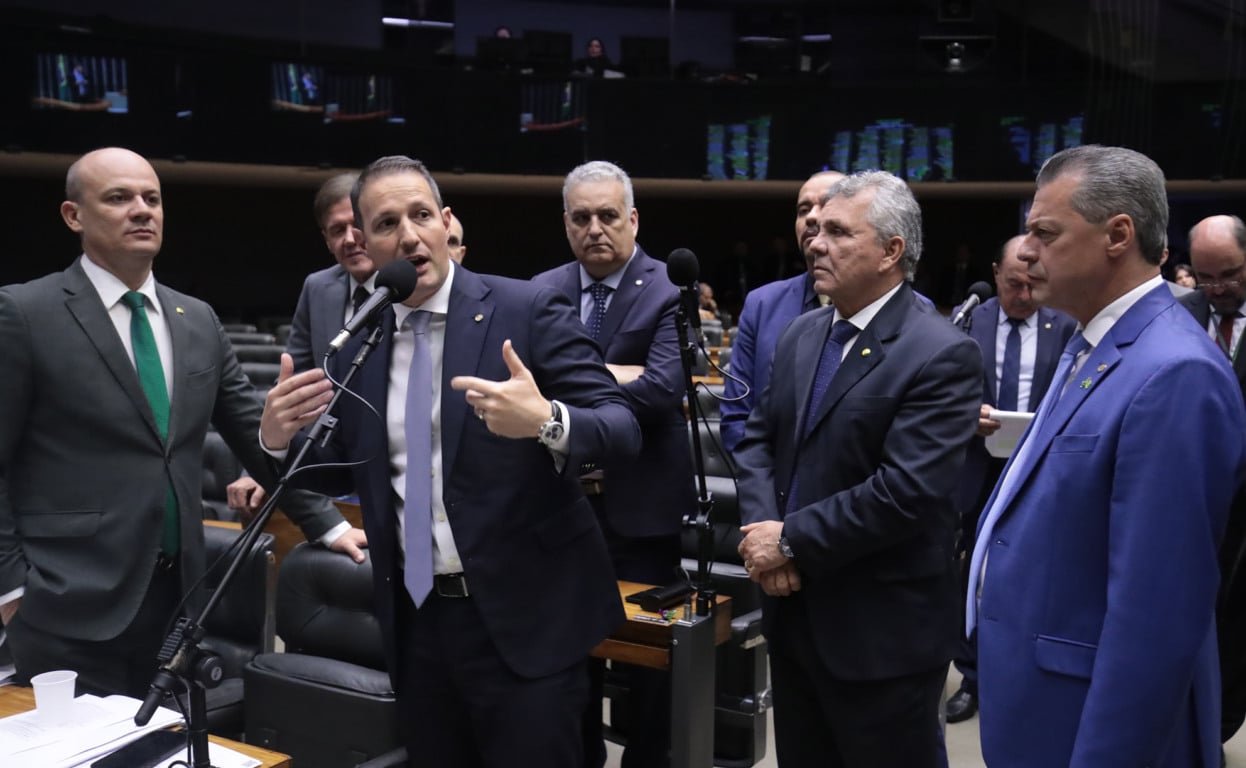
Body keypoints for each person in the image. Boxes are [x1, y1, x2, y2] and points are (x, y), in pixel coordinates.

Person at [259, 155, 641, 767]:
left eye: (420, 215)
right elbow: (343, 466)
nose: (409, 236)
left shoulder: (526, 308)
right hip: (417, 622)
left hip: (525, 622)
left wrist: (546, 421)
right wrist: (278, 440)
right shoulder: (361, 339)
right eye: (387, 224)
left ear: (445, 221)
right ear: (366, 243)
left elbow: (622, 429)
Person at [0, 147, 365, 699]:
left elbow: (254, 435)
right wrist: (11, 590)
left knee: (166, 739)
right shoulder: (25, 313)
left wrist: (330, 526)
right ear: (74, 216)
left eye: (152, 198)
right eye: (119, 198)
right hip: (65, 600)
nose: (141, 210)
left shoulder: (196, 318)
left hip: (181, 598)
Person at [970, 146, 1246, 768]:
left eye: (1045, 233)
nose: (1026, 251)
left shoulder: (1175, 372)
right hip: (1043, 705)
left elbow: (1157, 618)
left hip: (1091, 728)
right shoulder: (1092, 342)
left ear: (1118, 235)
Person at [735, 171, 983, 768]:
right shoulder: (801, 333)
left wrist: (789, 540)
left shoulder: (941, 351)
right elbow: (758, 439)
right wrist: (766, 539)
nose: (815, 243)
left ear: (891, 250)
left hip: (881, 638)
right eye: (816, 229)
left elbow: (904, 492)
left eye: (838, 232)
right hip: (793, 618)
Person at [532, 160, 695, 768]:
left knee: (648, 665)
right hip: (561, 505)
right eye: (581, 217)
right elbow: (523, 384)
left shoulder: (668, 289)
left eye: (607, 215)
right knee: (570, 657)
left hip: (641, 514)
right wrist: (617, 375)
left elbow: (662, 392)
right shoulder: (541, 289)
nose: (595, 228)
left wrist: (567, 384)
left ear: (633, 219)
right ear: (566, 223)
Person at [944, 234, 1077, 724]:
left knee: (1032, 572)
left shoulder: (1065, 324)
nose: (1023, 295)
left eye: (1032, 284)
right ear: (996, 274)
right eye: (1014, 284)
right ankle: (972, 677)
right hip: (976, 468)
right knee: (970, 575)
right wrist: (966, 415)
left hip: (1039, 469)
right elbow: (940, 392)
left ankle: (1022, 675)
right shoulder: (966, 322)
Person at [225, 172, 375, 514]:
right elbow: (296, 388)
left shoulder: (411, 287)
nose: (350, 239)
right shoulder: (318, 288)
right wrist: (262, 467)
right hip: (334, 470)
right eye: (337, 230)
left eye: (357, 226)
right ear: (326, 240)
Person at [1180, 213, 1246, 747]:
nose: (1218, 288)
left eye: (1230, 275)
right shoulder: (1180, 315)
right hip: (1191, 494)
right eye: (1206, 277)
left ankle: (1220, 728)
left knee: (1237, 621)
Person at [720, 170, 844, 453]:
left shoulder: (905, 309)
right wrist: (762, 478)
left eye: (826, 205)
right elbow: (737, 418)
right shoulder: (762, 305)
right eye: (803, 210)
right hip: (767, 476)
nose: (811, 217)